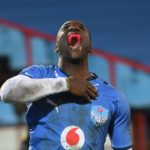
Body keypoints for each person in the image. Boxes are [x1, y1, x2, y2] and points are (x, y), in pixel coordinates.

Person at [0, 20, 132, 150]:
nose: (74, 27)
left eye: (81, 27)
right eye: (66, 28)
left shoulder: (115, 98)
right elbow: (7, 92)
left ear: (90, 47)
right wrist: (65, 84)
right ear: (57, 46)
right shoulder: (39, 74)